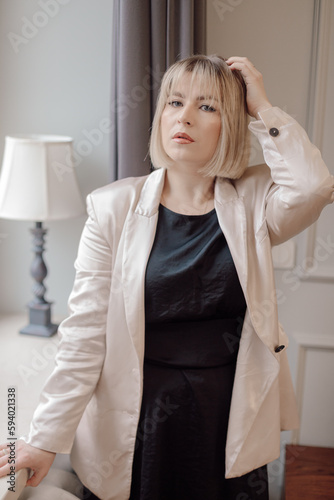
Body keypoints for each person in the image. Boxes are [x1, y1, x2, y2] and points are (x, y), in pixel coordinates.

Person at [0, 55, 333, 500]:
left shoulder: (256, 200)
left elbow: (314, 187)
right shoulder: (112, 208)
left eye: (208, 107)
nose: (185, 117)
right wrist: (42, 438)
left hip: (227, 408)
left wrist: (263, 108)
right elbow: (85, 334)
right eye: (175, 102)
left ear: (231, 122)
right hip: (140, 414)